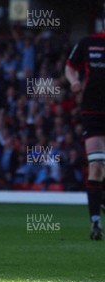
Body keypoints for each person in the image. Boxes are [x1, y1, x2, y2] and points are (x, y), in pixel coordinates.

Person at [65, 15, 105, 240]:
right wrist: (74, 81)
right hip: (93, 114)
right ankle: (95, 223)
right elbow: (70, 67)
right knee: (97, 166)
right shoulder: (88, 43)